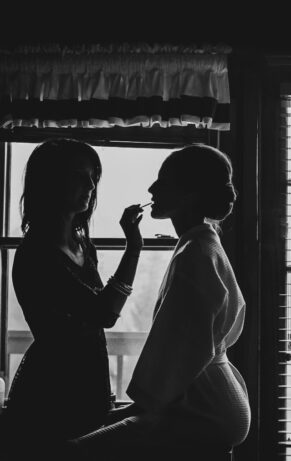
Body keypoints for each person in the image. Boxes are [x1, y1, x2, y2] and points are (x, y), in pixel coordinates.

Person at [68, 144, 250, 459]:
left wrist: (135, 407)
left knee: (71, 453)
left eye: (163, 181)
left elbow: (179, 348)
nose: (152, 188)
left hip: (202, 411)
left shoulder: (196, 253)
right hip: (212, 400)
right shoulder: (200, 243)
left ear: (188, 194)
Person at [2, 138, 144, 456]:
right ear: (51, 181)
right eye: (79, 176)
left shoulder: (83, 246)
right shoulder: (37, 253)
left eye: (93, 176)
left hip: (89, 382)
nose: (90, 185)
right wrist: (133, 247)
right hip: (51, 391)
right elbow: (104, 313)